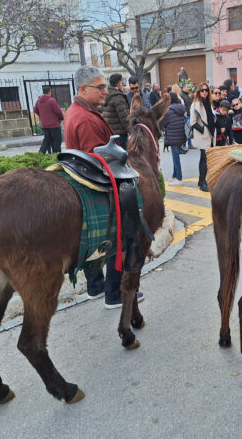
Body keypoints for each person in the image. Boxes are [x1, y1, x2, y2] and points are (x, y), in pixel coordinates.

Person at [64, 65, 144, 308]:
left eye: (104, 87)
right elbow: (98, 157)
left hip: (86, 182)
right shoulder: (84, 118)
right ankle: (115, 293)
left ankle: (96, 286)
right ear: (82, 88)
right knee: (121, 233)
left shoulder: (78, 110)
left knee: (93, 237)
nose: (105, 92)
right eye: (100, 88)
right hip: (98, 186)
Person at [190, 82, 215, 191]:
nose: (204, 92)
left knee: (204, 159)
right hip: (203, 134)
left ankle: (201, 180)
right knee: (204, 159)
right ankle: (203, 183)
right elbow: (192, 122)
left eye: (206, 90)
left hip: (211, 133)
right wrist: (203, 130)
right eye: (202, 90)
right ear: (198, 92)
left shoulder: (208, 102)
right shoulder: (195, 103)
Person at [160, 92, 187, 186]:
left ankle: (179, 179)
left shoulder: (168, 111)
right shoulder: (181, 108)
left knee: (176, 158)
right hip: (180, 136)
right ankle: (174, 176)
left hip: (173, 136)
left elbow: (161, 124)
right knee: (176, 156)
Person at [102, 73, 130, 149]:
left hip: (109, 133)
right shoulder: (118, 98)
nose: (122, 84)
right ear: (118, 83)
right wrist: (132, 131)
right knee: (123, 158)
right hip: (120, 134)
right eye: (121, 82)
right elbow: (124, 118)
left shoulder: (105, 95)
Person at [34, 86, 64, 154]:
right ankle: (56, 156)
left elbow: (35, 110)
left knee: (46, 141)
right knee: (56, 141)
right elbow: (58, 112)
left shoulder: (39, 100)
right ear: (50, 92)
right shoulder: (52, 100)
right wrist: (62, 118)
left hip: (45, 125)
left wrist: (42, 116)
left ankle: (40, 155)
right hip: (54, 125)